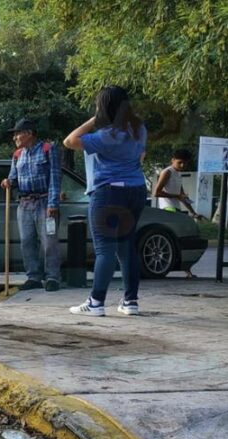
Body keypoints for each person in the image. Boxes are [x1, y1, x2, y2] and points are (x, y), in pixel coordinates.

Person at [63, 86, 148, 317]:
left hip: (108, 192)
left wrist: (94, 119)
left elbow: (69, 141)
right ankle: (130, 302)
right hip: (136, 190)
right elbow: (141, 155)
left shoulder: (106, 135)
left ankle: (96, 302)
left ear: (105, 107)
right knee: (126, 246)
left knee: (105, 248)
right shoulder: (139, 129)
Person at [0, 118, 62, 292]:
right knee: (27, 242)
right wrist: (8, 182)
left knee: (49, 242)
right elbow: (13, 177)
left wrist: (53, 203)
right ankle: (33, 276)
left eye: (17, 134)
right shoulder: (17, 155)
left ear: (28, 133)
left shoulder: (49, 149)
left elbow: (55, 179)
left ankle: (52, 277)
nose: (15, 138)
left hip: (44, 202)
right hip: (25, 204)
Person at [153, 149, 201, 218]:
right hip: (168, 209)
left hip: (176, 209)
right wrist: (177, 196)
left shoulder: (177, 174)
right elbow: (157, 193)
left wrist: (193, 213)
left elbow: (183, 197)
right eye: (179, 162)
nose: (182, 165)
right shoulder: (167, 172)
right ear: (172, 160)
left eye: (185, 163)